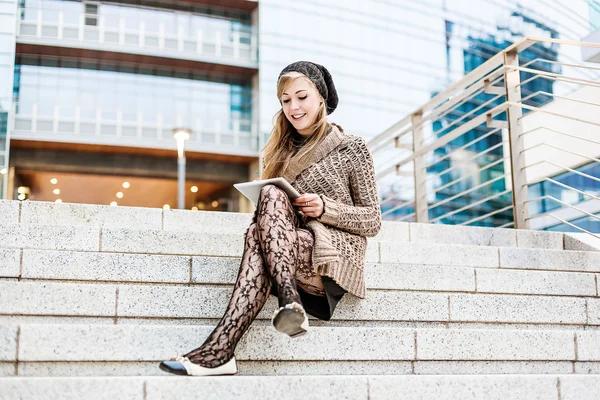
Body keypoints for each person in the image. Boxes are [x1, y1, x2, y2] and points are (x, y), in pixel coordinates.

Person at [159, 61, 382, 376]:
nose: (294, 107)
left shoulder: (351, 148)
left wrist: (325, 208)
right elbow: (269, 219)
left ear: (321, 97)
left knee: (257, 235)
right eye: (285, 100)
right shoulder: (277, 151)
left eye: (301, 97)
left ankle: (220, 349)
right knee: (270, 199)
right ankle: (288, 302)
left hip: (330, 255)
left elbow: (372, 220)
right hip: (285, 252)